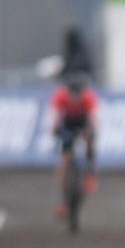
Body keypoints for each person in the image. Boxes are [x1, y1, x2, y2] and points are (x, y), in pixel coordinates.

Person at [50, 73, 99, 219]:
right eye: (72, 94)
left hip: (82, 121)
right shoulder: (60, 96)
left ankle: (90, 174)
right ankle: (63, 200)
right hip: (67, 123)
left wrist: (91, 132)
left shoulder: (88, 97)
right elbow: (55, 117)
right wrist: (56, 130)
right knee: (64, 159)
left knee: (90, 142)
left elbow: (93, 118)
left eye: (78, 94)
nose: (75, 97)